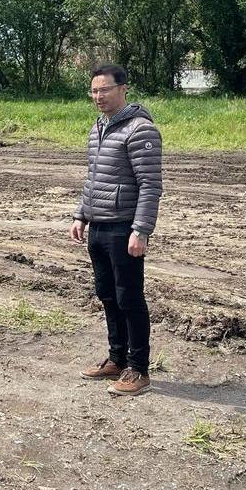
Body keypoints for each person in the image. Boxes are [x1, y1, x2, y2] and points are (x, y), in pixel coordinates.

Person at [70, 64, 163, 396]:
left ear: (123, 89)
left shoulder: (140, 130)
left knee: (129, 298)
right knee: (107, 295)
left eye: (104, 90)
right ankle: (116, 359)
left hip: (124, 228)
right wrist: (81, 214)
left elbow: (150, 186)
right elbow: (93, 178)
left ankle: (138, 370)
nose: (98, 96)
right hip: (98, 227)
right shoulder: (97, 128)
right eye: (94, 91)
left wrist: (141, 230)